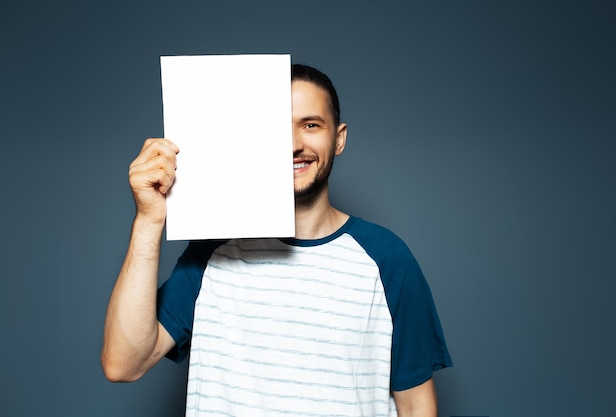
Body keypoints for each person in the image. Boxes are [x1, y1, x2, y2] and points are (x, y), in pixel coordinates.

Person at [102, 64, 452, 416]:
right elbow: (123, 364)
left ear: (339, 138)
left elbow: (416, 404)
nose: (295, 145)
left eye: (311, 125)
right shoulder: (213, 253)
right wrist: (149, 219)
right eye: (278, 129)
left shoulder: (387, 257)